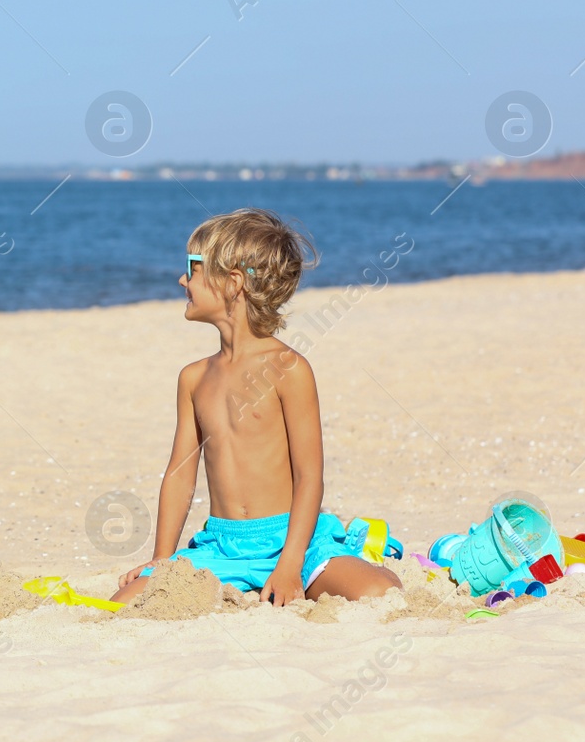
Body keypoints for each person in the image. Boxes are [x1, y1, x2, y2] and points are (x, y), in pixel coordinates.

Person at [111, 208, 401, 606]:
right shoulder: (193, 379)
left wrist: (290, 564)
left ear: (232, 283)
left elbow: (309, 475)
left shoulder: (290, 369)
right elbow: (180, 475)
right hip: (222, 546)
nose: (182, 279)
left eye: (192, 268)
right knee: (128, 601)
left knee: (381, 593)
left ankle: (357, 552)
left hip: (292, 540)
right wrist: (163, 559)